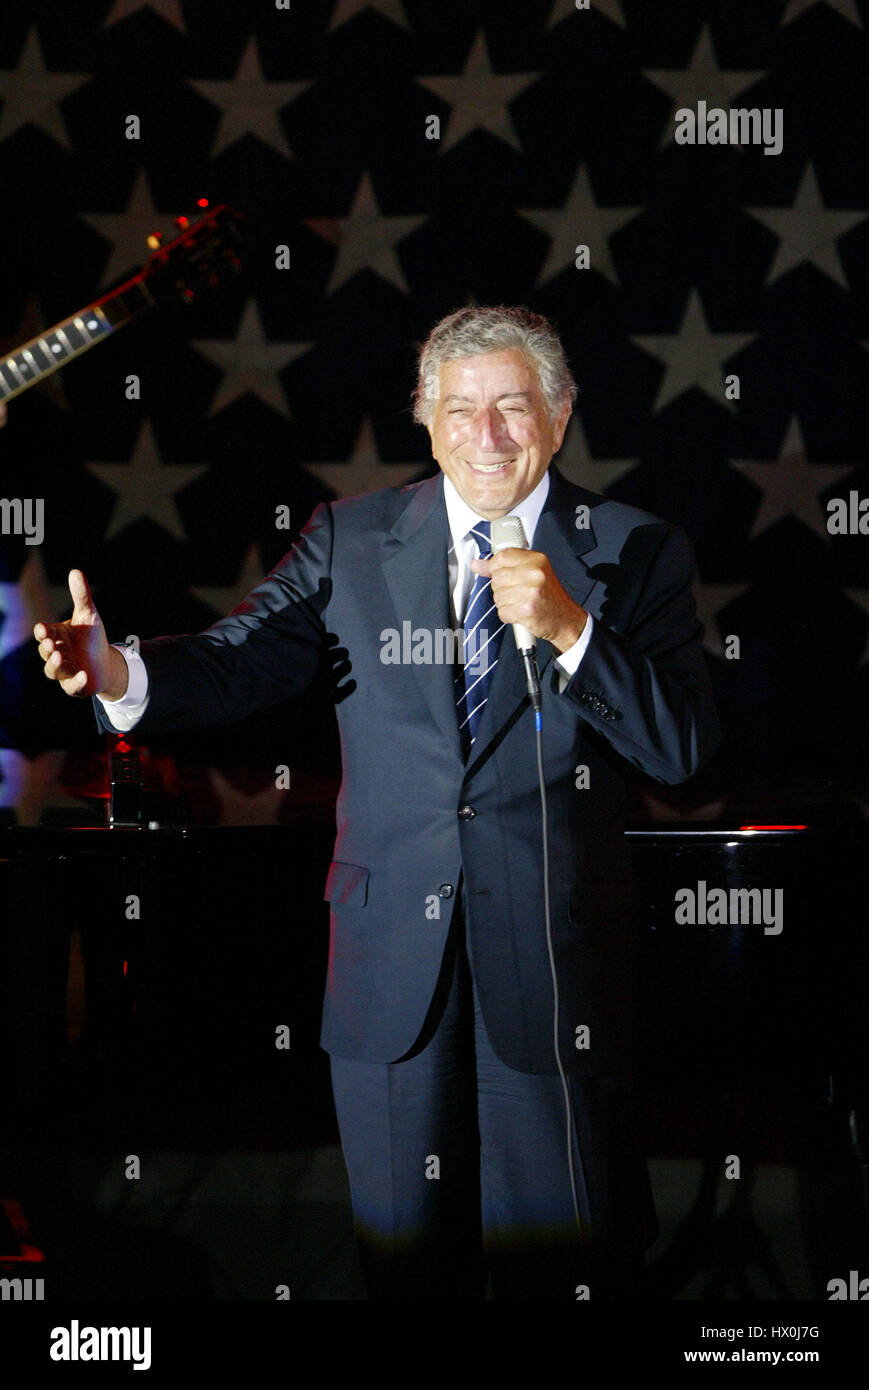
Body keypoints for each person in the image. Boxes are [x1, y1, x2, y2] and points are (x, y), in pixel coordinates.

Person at [34, 305, 721, 1300]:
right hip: (388, 974)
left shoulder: (636, 550)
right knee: (405, 1274)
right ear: (425, 420)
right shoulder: (351, 539)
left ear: (560, 416)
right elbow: (240, 663)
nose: (486, 435)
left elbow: (685, 756)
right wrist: (116, 672)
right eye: (461, 410)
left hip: (554, 970)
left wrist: (574, 631)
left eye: (513, 407)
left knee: (568, 1271)